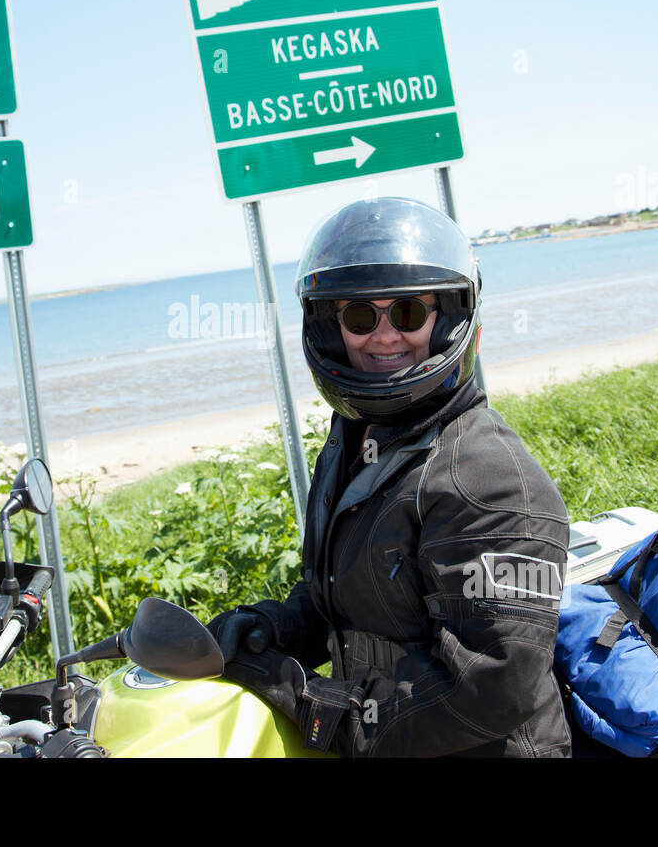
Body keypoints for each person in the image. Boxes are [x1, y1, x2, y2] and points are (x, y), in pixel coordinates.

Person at [207, 197, 572, 757]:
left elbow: (494, 688)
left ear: (448, 320)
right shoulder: (360, 439)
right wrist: (274, 627)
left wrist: (320, 711)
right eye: (359, 316)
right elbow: (353, 594)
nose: (382, 337)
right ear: (333, 329)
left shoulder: (492, 484)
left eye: (406, 312)